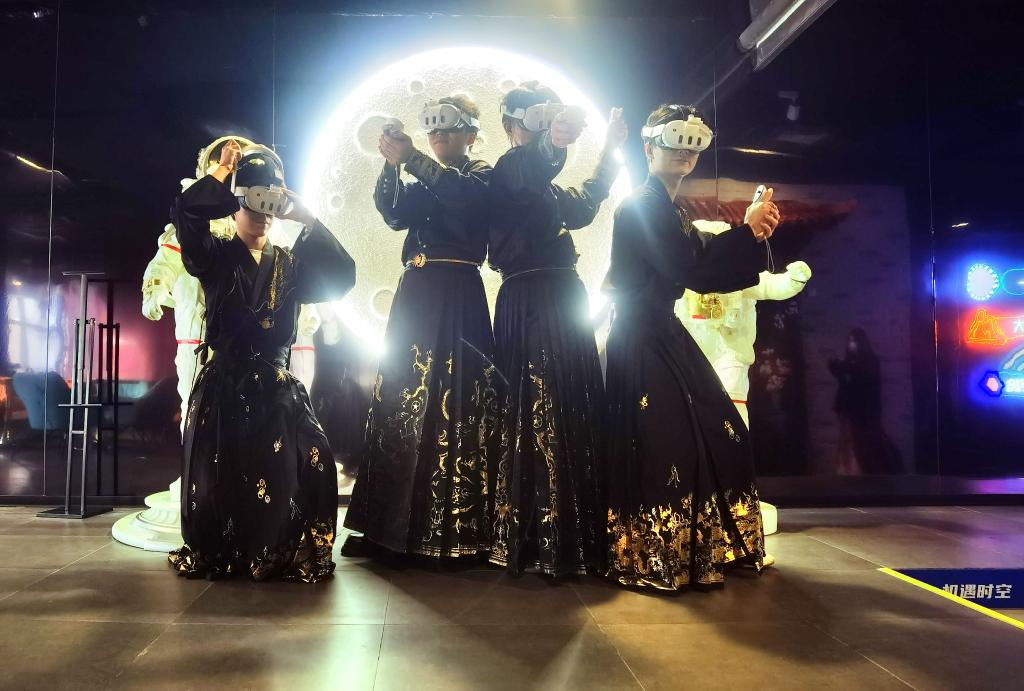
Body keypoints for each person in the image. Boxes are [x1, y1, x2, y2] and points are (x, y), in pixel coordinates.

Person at [603, 104, 780, 590]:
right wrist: (746, 231)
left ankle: (690, 552)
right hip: (641, 336)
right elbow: (691, 266)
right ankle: (652, 555)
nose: (683, 154)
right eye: (673, 144)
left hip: (661, 330)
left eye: (691, 147)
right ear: (648, 149)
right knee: (666, 446)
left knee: (716, 434)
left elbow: (700, 254)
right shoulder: (641, 206)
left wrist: (750, 231)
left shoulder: (670, 209)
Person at [167, 138, 355, 581]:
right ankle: (232, 548)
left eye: (270, 203)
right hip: (225, 382)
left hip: (276, 385)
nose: (263, 213)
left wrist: (307, 216)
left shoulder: (292, 264)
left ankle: (275, 548)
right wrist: (223, 171)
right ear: (235, 204)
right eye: (253, 202)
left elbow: (342, 277)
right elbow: (187, 215)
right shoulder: (213, 256)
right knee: (225, 476)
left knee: (302, 464)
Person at [344, 95, 500, 559]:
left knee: (459, 398)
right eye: (433, 130)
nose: (438, 136)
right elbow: (393, 214)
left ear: (471, 135)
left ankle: (454, 532)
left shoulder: (481, 174)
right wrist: (391, 163)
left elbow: (463, 197)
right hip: (415, 293)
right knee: (399, 398)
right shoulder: (423, 178)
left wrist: (410, 157)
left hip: (458, 294)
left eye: (448, 128)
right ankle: (386, 528)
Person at [486, 81, 627, 576]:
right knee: (536, 406)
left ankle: (576, 534)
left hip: (564, 295)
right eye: (530, 121)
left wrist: (609, 152)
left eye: (548, 120)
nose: (541, 130)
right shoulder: (507, 169)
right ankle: (538, 537)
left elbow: (584, 203)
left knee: (571, 399)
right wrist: (552, 140)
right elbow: (532, 164)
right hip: (529, 299)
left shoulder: (542, 185)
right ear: (510, 128)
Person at [829, 328, 902, 474]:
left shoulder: (869, 362)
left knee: (865, 446)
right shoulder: (850, 362)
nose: (851, 344)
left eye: (854, 341)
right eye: (850, 341)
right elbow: (837, 370)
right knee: (849, 443)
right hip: (849, 410)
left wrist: (845, 369)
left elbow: (862, 381)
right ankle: (849, 471)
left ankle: (865, 473)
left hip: (864, 413)